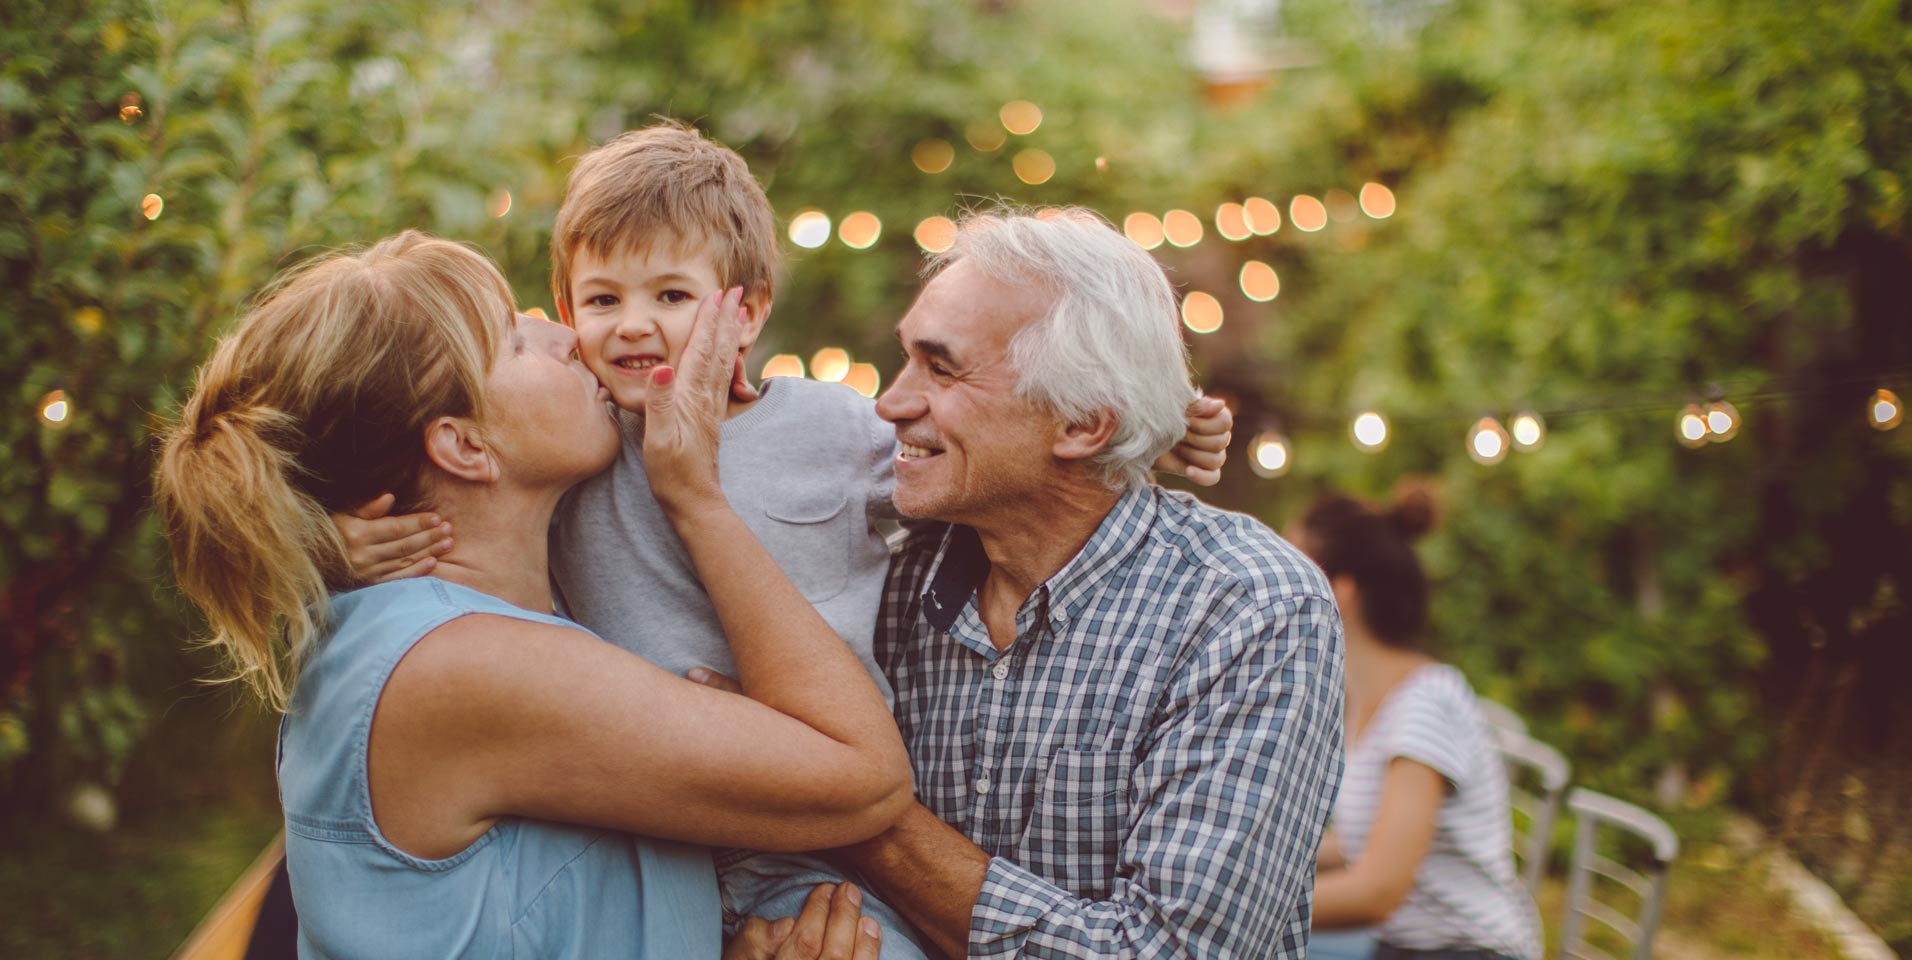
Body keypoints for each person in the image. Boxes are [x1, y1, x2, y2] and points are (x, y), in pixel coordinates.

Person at [333, 123, 1235, 958]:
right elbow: (420, 505)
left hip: (819, 845)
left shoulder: (831, 430)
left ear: (748, 312)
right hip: (655, 814)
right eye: (601, 299)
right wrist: (335, 546)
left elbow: (989, 456)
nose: (633, 324)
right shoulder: (582, 441)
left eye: (673, 296)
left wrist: (1151, 424)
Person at [153, 231, 912, 958]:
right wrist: (694, 498)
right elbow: (863, 778)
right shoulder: (463, 667)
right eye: (515, 342)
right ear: (465, 446)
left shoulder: (428, 630)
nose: (566, 336)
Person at [807, 207, 1347, 959]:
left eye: (941, 366)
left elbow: (1165, 953)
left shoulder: (1247, 606)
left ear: (1084, 422)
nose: (890, 403)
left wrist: (841, 799)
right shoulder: (884, 568)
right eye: (906, 359)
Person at [1292, 488, 1542, 960]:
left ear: (1337, 591)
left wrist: (1232, 905)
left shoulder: (1426, 703)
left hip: (1465, 951)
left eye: (1288, 564)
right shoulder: (1365, 701)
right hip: (1401, 945)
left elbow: (1376, 892)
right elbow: (1358, 843)